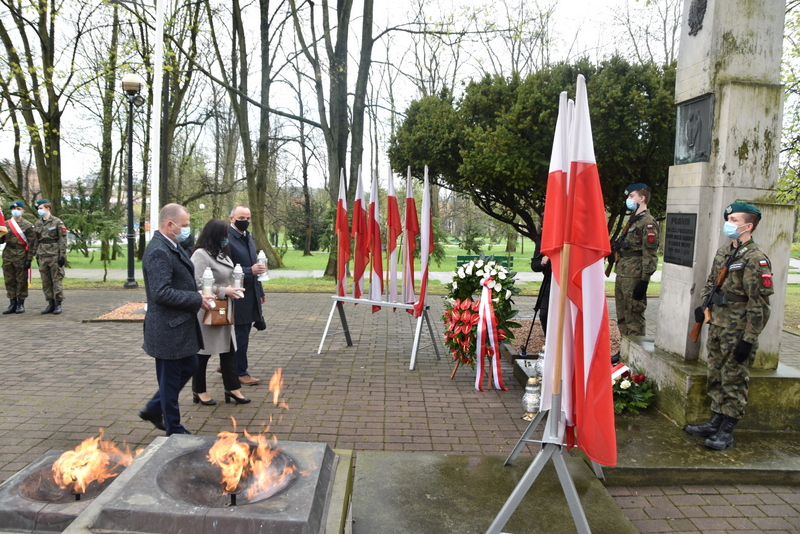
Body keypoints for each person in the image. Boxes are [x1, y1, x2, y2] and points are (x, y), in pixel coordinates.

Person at [684, 202, 773, 450]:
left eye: (734, 220)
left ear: (748, 225)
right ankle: (715, 419)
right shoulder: (725, 251)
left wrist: (749, 338)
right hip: (718, 323)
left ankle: (727, 429)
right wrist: (704, 306)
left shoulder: (756, 259)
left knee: (734, 377)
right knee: (715, 373)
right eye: (729, 219)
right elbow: (711, 282)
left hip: (738, 328)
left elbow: (760, 303)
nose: (729, 223)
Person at [138, 203, 215, 435]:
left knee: (191, 364)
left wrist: (197, 293)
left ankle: (153, 408)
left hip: (180, 326)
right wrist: (195, 299)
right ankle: (174, 429)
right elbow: (161, 293)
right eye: (185, 225)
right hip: (167, 329)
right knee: (170, 382)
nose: (188, 230)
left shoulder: (174, 245)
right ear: (169, 225)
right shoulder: (158, 251)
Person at [190, 218, 251, 406]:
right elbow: (197, 283)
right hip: (208, 309)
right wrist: (225, 291)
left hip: (225, 309)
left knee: (229, 350)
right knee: (204, 352)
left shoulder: (223, 253)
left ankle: (232, 389)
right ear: (215, 234)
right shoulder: (200, 254)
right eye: (224, 234)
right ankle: (199, 391)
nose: (227, 238)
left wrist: (235, 286)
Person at [612, 183, 658, 362]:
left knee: (634, 316)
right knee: (622, 316)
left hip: (635, 275)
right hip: (623, 272)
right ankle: (624, 352)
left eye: (632, 196)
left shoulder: (647, 223)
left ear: (642, 198)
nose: (629, 200)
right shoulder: (633, 220)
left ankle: (637, 357)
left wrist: (644, 280)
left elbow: (650, 253)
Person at [227, 205, 266, 385]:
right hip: (235, 293)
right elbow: (225, 269)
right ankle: (240, 372)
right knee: (240, 335)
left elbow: (255, 266)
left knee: (243, 333)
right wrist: (249, 271)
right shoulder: (226, 239)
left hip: (251, 293)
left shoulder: (247, 237)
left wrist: (260, 291)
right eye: (242, 218)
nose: (245, 221)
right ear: (231, 218)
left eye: (248, 218)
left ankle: (227, 365)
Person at [31, 199, 67, 314]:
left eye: (41, 208)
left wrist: (62, 256)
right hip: (42, 255)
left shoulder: (57, 222)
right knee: (45, 281)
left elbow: (62, 240)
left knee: (56, 280)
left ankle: (58, 303)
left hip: (54, 255)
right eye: (38, 209)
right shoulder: (37, 223)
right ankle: (50, 303)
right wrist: (34, 254)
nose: (39, 211)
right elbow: (36, 240)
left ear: (48, 208)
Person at [1, 201, 35, 314]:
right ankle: (12, 303)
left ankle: (20, 303)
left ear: (23, 210)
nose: (16, 211)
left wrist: (29, 259)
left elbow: (32, 243)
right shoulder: (5, 224)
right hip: (8, 254)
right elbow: (1, 240)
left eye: (18, 209)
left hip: (21, 254)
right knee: (9, 280)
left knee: (21, 280)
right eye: (13, 209)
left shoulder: (28, 225)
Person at [530, 239, 552, 336]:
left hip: (567, 285)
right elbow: (535, 266)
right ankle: (549, 341)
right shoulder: (542, 242)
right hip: (549, 282)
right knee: (544, 315)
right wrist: (543, 263)